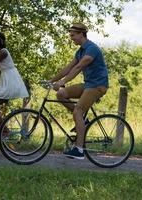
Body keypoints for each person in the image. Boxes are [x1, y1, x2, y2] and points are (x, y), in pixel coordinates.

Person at [49, 23, 109, 159]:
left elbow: (78, 68)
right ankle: (82, 119)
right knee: (61, 94)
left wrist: (62, 82)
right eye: (70, 35)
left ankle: (79, 150)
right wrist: (51, 81)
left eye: (73, 35)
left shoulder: (91, 49)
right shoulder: (80, 51)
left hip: (98, 86)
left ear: (82, 34)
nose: (71, 38)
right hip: (88, 84)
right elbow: (68, 68)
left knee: (77, 111)